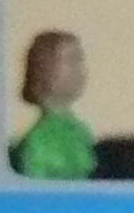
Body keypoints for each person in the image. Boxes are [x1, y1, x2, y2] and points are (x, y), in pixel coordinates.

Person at [11, 29, 97, 179]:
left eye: (80, 60)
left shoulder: (80, 131)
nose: (80, 70)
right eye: (71, 60)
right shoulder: (39, 140)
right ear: (45, 68)